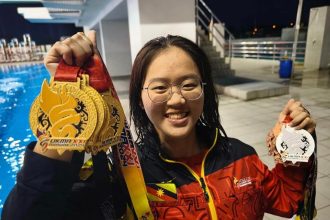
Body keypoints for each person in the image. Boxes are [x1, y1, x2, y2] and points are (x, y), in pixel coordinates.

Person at [2, 31, 317, 220]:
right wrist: (68, 101)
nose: (177, 99)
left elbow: (288, 200)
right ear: (140, 97)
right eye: (160, 87)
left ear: (205, 90)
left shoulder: (241, 157)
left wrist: (296, 142)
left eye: (189, 84)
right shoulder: (124, 178)